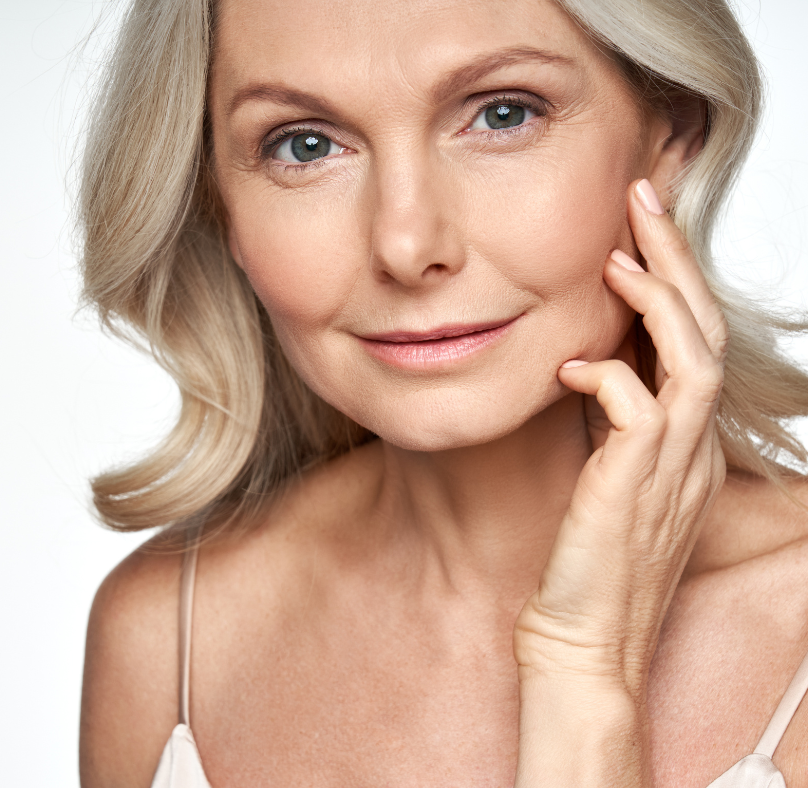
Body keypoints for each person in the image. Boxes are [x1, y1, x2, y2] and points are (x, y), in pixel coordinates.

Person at [77, 0, 808, 785]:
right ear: (220, 200)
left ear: (671, 135)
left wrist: (585, 671)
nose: (405, 243)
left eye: (502, 114)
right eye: (306, 144)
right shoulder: (168, 638)